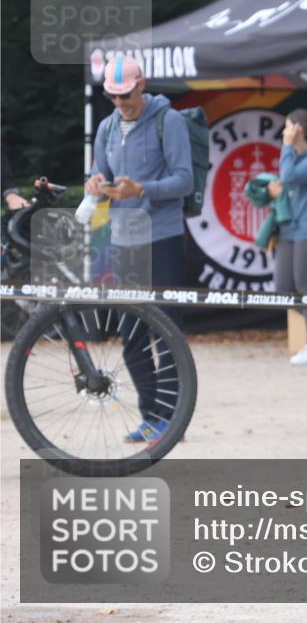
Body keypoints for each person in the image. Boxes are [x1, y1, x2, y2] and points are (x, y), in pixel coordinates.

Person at [85, 56, 193, 442]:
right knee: (131, 336)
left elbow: (185, 180)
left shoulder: (169, 121)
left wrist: (142, 189)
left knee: (167, 333)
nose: (120, 103)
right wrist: (96, 184)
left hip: (162, 236)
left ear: (141, 85)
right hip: (123, 238)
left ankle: (172, 420)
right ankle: (151, 417)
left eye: (126, 95)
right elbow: (100, 175)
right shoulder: (106, 127)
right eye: (112, 97)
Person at [268, 108, 307, 365]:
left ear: (298, 130)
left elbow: (289, 178)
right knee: (283, 288)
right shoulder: (295, 156)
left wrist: (286, 146)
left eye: (287, 127)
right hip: (290, 229)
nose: (284, 132)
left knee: (306, 283)